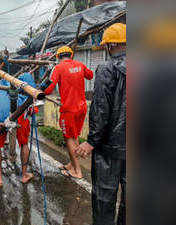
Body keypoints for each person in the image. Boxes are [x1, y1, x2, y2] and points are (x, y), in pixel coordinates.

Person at [75, 23, 126, 225]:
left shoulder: (107, 68)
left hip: (108, 147)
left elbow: (101, 109)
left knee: (104, 198)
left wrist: (92, 140)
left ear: (110, 45)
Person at [44, 45, 93, 179]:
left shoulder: (59, 68)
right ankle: (72, 164)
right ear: (71, 55)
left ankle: (77, 171)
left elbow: (49, 89)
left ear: (58, 57)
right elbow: (90, 75)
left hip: (69, 110)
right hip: (81, 108)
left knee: (69, 138)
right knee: (74, 135)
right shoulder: (80, 64)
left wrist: (40, 89)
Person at [0, 73, 36, 187]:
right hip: (21, 112)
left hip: (1, 116)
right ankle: (24, 175)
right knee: (24, 144)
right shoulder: (21, 83)